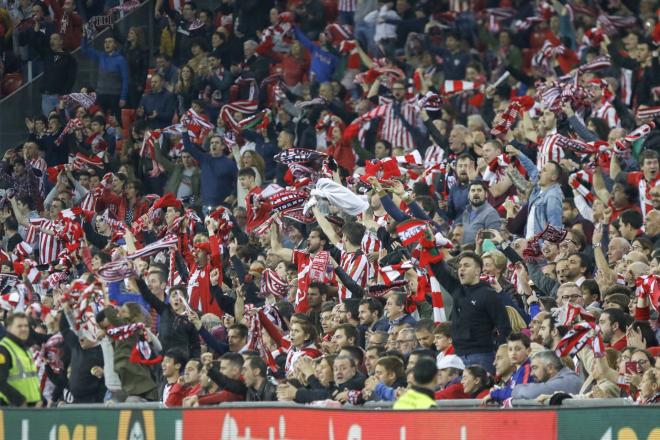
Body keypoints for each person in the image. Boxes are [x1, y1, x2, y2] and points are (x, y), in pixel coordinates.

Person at [433, 251, 511, 373]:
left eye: (466, 265)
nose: (461, 269)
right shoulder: (457, 290)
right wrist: (430, 247)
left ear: (477, 271)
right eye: (460, 266)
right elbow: (440, 271)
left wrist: (497, 349)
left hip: (481, 356)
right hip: (458, 355)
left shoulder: (488, 294)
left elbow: (504, 326)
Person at [80, 33, 128, 116]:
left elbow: (125, 79)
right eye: (105, 42)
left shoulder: (120, 59)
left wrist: (123, 97)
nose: (107, 44)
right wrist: (84, 36)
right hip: (101, 95)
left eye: (110, 42)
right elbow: (84, 49)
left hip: (115, 96)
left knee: (114, 120)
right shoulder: (101, 56)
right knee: (100, 119)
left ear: (115, 45)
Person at [0, 313, 41, 406]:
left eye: (26, 326)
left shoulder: (25, 349)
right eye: (19, 326)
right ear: (9, 328)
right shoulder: (3, 349)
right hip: (11, 409)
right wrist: (20, 401)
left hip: (30, 409)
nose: (24, 329)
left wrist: (41, 398)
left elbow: (31, 379)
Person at [511, 351, 583, 400]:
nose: (531, 373)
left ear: (550, 368)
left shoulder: (567, 380)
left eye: (534, 368)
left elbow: (529, 393)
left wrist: (516, 388)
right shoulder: (567, 376)